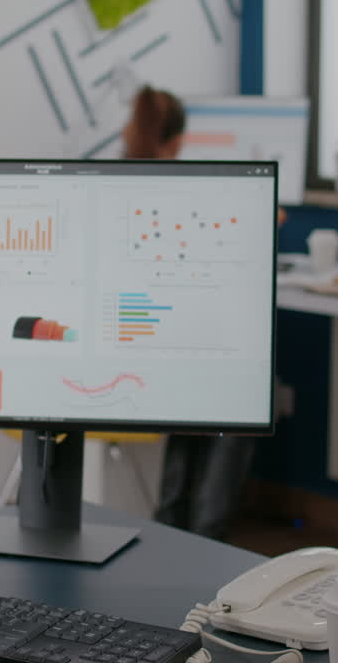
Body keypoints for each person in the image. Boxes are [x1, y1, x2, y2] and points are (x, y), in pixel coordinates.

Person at [120, 84, 257, 541]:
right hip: (148, 363)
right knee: (245, 386)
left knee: (203, 381)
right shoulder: (183, 194)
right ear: (176, 142)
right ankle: (207, 533)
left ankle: (174, 525)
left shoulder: (111, 185)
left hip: (137, 352)